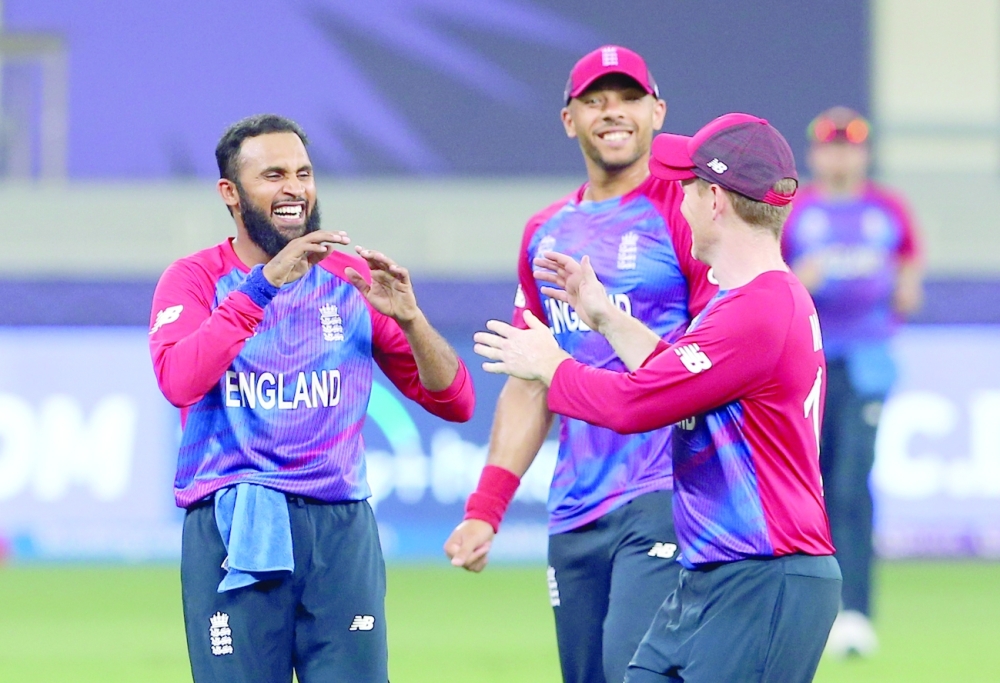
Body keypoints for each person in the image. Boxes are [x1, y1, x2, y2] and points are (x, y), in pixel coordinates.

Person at [473, 113, 841, 682]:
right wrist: (606, 317)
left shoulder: (756, 311)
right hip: (717, 573)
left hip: (765, 574)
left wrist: (551, 365)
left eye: (687, 187)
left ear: (715, 200)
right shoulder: (752, 301)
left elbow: (634, 405)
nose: (679, 199)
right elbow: (676, 377)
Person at [148, 113, 474, 683]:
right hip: (233, 524)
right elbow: (179, 380)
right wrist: (263, 286)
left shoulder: (350, 277)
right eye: (273, 175)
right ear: (230, 193)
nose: (294, 188)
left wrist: (413, 320)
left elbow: (455, 401)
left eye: (303, 172)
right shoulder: (195, 278)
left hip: (340, 529)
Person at [443, 46, 716, 683]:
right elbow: (529, 380)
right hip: (575, 507)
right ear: (569, 120)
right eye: (595, 101)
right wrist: (485, 508)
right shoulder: (546, 232)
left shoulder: (686, 212)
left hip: (666, 491)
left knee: (633, 672)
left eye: (628, 99)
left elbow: (716, 352)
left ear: (658, 112)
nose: (612, 112)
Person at [782, 106, 924, 657]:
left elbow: (908, 268)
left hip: (867, 361)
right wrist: (802, 280)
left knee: (851, 482)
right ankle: (812, 605)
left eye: (850, 147)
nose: (841, 157)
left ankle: (857, 611)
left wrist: (903, 290)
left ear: (863, 153)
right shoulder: (797, 212)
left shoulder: (887, 209)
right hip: (810, 363)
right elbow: (771, 281)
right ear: (816, 153)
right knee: (809, 484)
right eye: (831, 147)